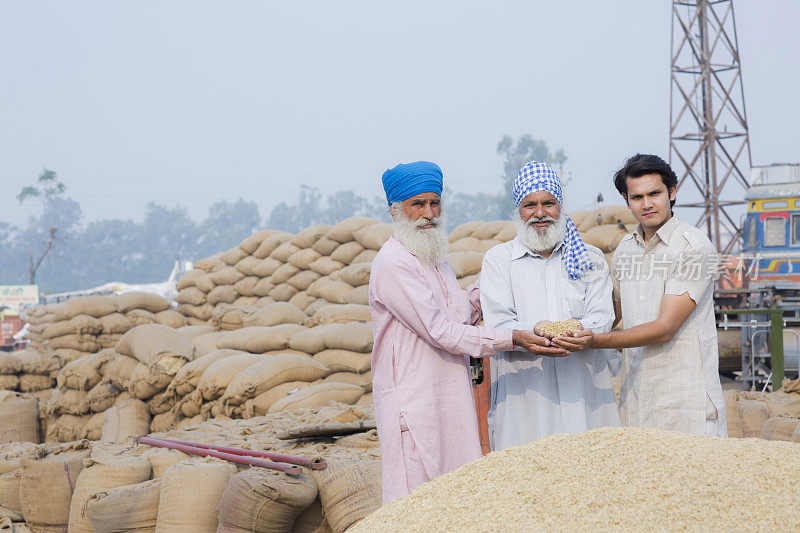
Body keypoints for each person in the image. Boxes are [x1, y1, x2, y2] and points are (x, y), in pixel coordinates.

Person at [369, 161, 565, 504]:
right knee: (416, 506)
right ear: (396, 210)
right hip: (413, 406)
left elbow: (461, 310)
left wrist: (500, 273)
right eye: (418, 204)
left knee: (456, 499)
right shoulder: (393, 262)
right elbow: (441, 331)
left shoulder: (433, 258)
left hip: (450, 398)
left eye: (435, 203)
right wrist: (513, 337)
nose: (429, 213)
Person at [480, 160, 621, 450]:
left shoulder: (590, 258)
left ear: (561, 206)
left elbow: (602, 316)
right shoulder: (498, 260)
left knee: (591, 472)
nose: (540, 213)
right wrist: (532, 331)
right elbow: (498, 323)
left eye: (549, 203)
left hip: (583, 393)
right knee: (527, 476)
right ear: (518, 210)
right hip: (526, 397)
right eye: (529, 205)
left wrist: (583, 333)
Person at [588, 153, 726, 437]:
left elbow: (665, 328)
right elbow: (610, 314)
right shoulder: (625, 249)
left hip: (686, 406)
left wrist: (594, 342)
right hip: (638, 402)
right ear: (626, 200)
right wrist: (568, 331)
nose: (647, 204)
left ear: (672, 192)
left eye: (655, 193)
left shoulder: (694, 247)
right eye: (637, 197)